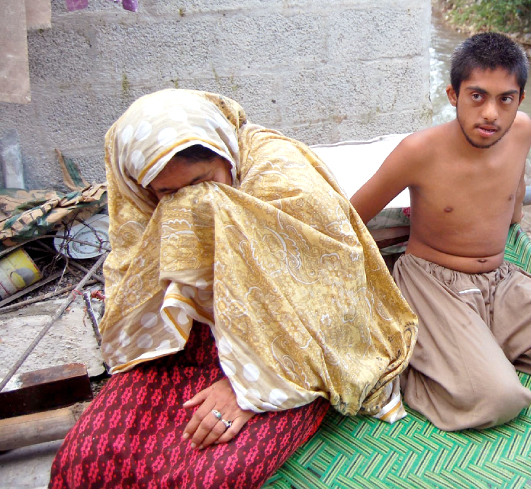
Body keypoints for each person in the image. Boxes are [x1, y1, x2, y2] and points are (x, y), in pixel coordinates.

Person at [50, 89, 417, 489]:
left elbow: (333, 301)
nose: (188, 202)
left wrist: (246, 387)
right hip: (185, 345)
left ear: (226, 155)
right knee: (85, 459)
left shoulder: (283, 179)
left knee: (207, 478)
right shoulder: (138, 204)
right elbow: (136, 289)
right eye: (167, 194)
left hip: (289, 351)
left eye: (202, 182)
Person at [351, 33, 531, 432]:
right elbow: (350, 219)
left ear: (520, 101)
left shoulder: (521, 132)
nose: (491, 113)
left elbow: (515, 201)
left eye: (505, 99)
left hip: (499, 281)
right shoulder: (418, 152)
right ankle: (418, 367)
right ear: (453, 95)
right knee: (499, 399)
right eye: (477, 96)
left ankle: (477, 352)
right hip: (434, 282)